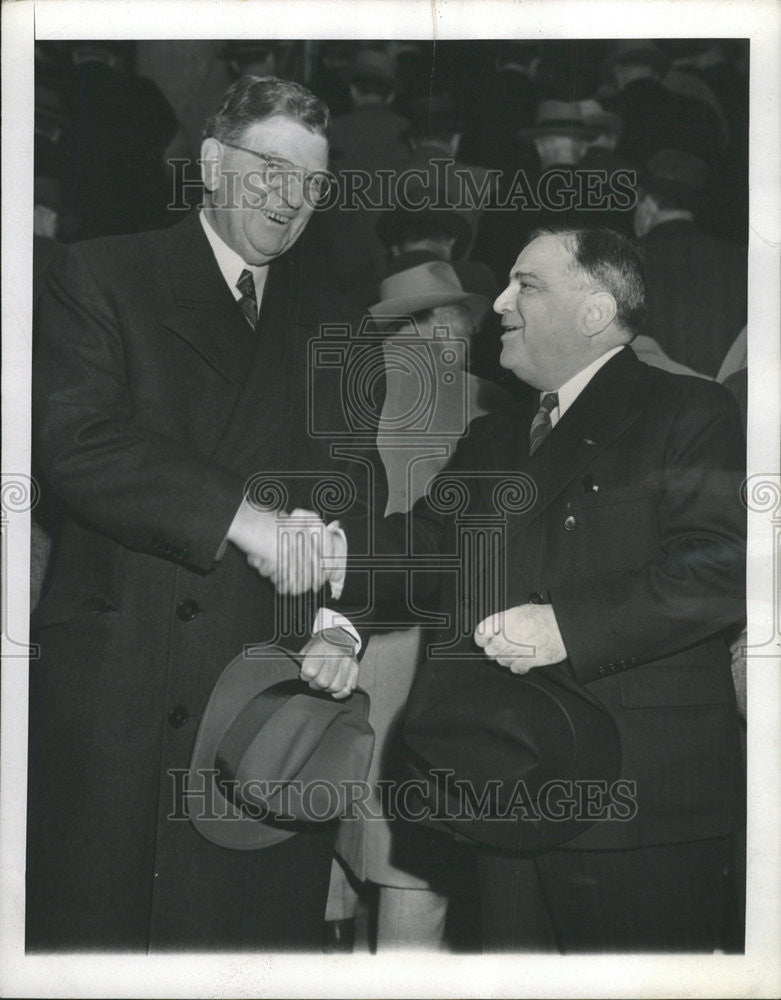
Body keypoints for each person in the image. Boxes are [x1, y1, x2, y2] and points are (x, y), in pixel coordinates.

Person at [27, 75, 375, 951]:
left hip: (262, 705)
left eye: (310, 183)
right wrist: (247, 519)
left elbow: (355, 491)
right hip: (121, 688)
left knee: (239, 943)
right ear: (213, 165)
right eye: (271, 168)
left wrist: (338, 623)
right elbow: (80, 445)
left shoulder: (333, 322)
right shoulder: (102, 272)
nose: (289, 198)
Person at [370, 226, 745, 951]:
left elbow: (721, 567)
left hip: (639, 805)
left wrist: (565, 626)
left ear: (595, 310)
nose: (500, 303)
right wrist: (306, 546)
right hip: (509, 785)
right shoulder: (496, 435)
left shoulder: (689, 412)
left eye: (526, 284)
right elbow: (421, 550)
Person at [325, 260, 513, 951]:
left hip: (338, 627)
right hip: (430, 641)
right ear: (437, 324)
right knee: (413, 853)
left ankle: (334, 944)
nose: (470, 336)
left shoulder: (343, 392)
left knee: (328, 797)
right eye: (463, 324)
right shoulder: (489, 405)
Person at [635, 148, 747, 377]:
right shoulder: (742, 259)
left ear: (648, 204)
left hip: (655, 400)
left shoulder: (628, 257)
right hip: (727, 401)